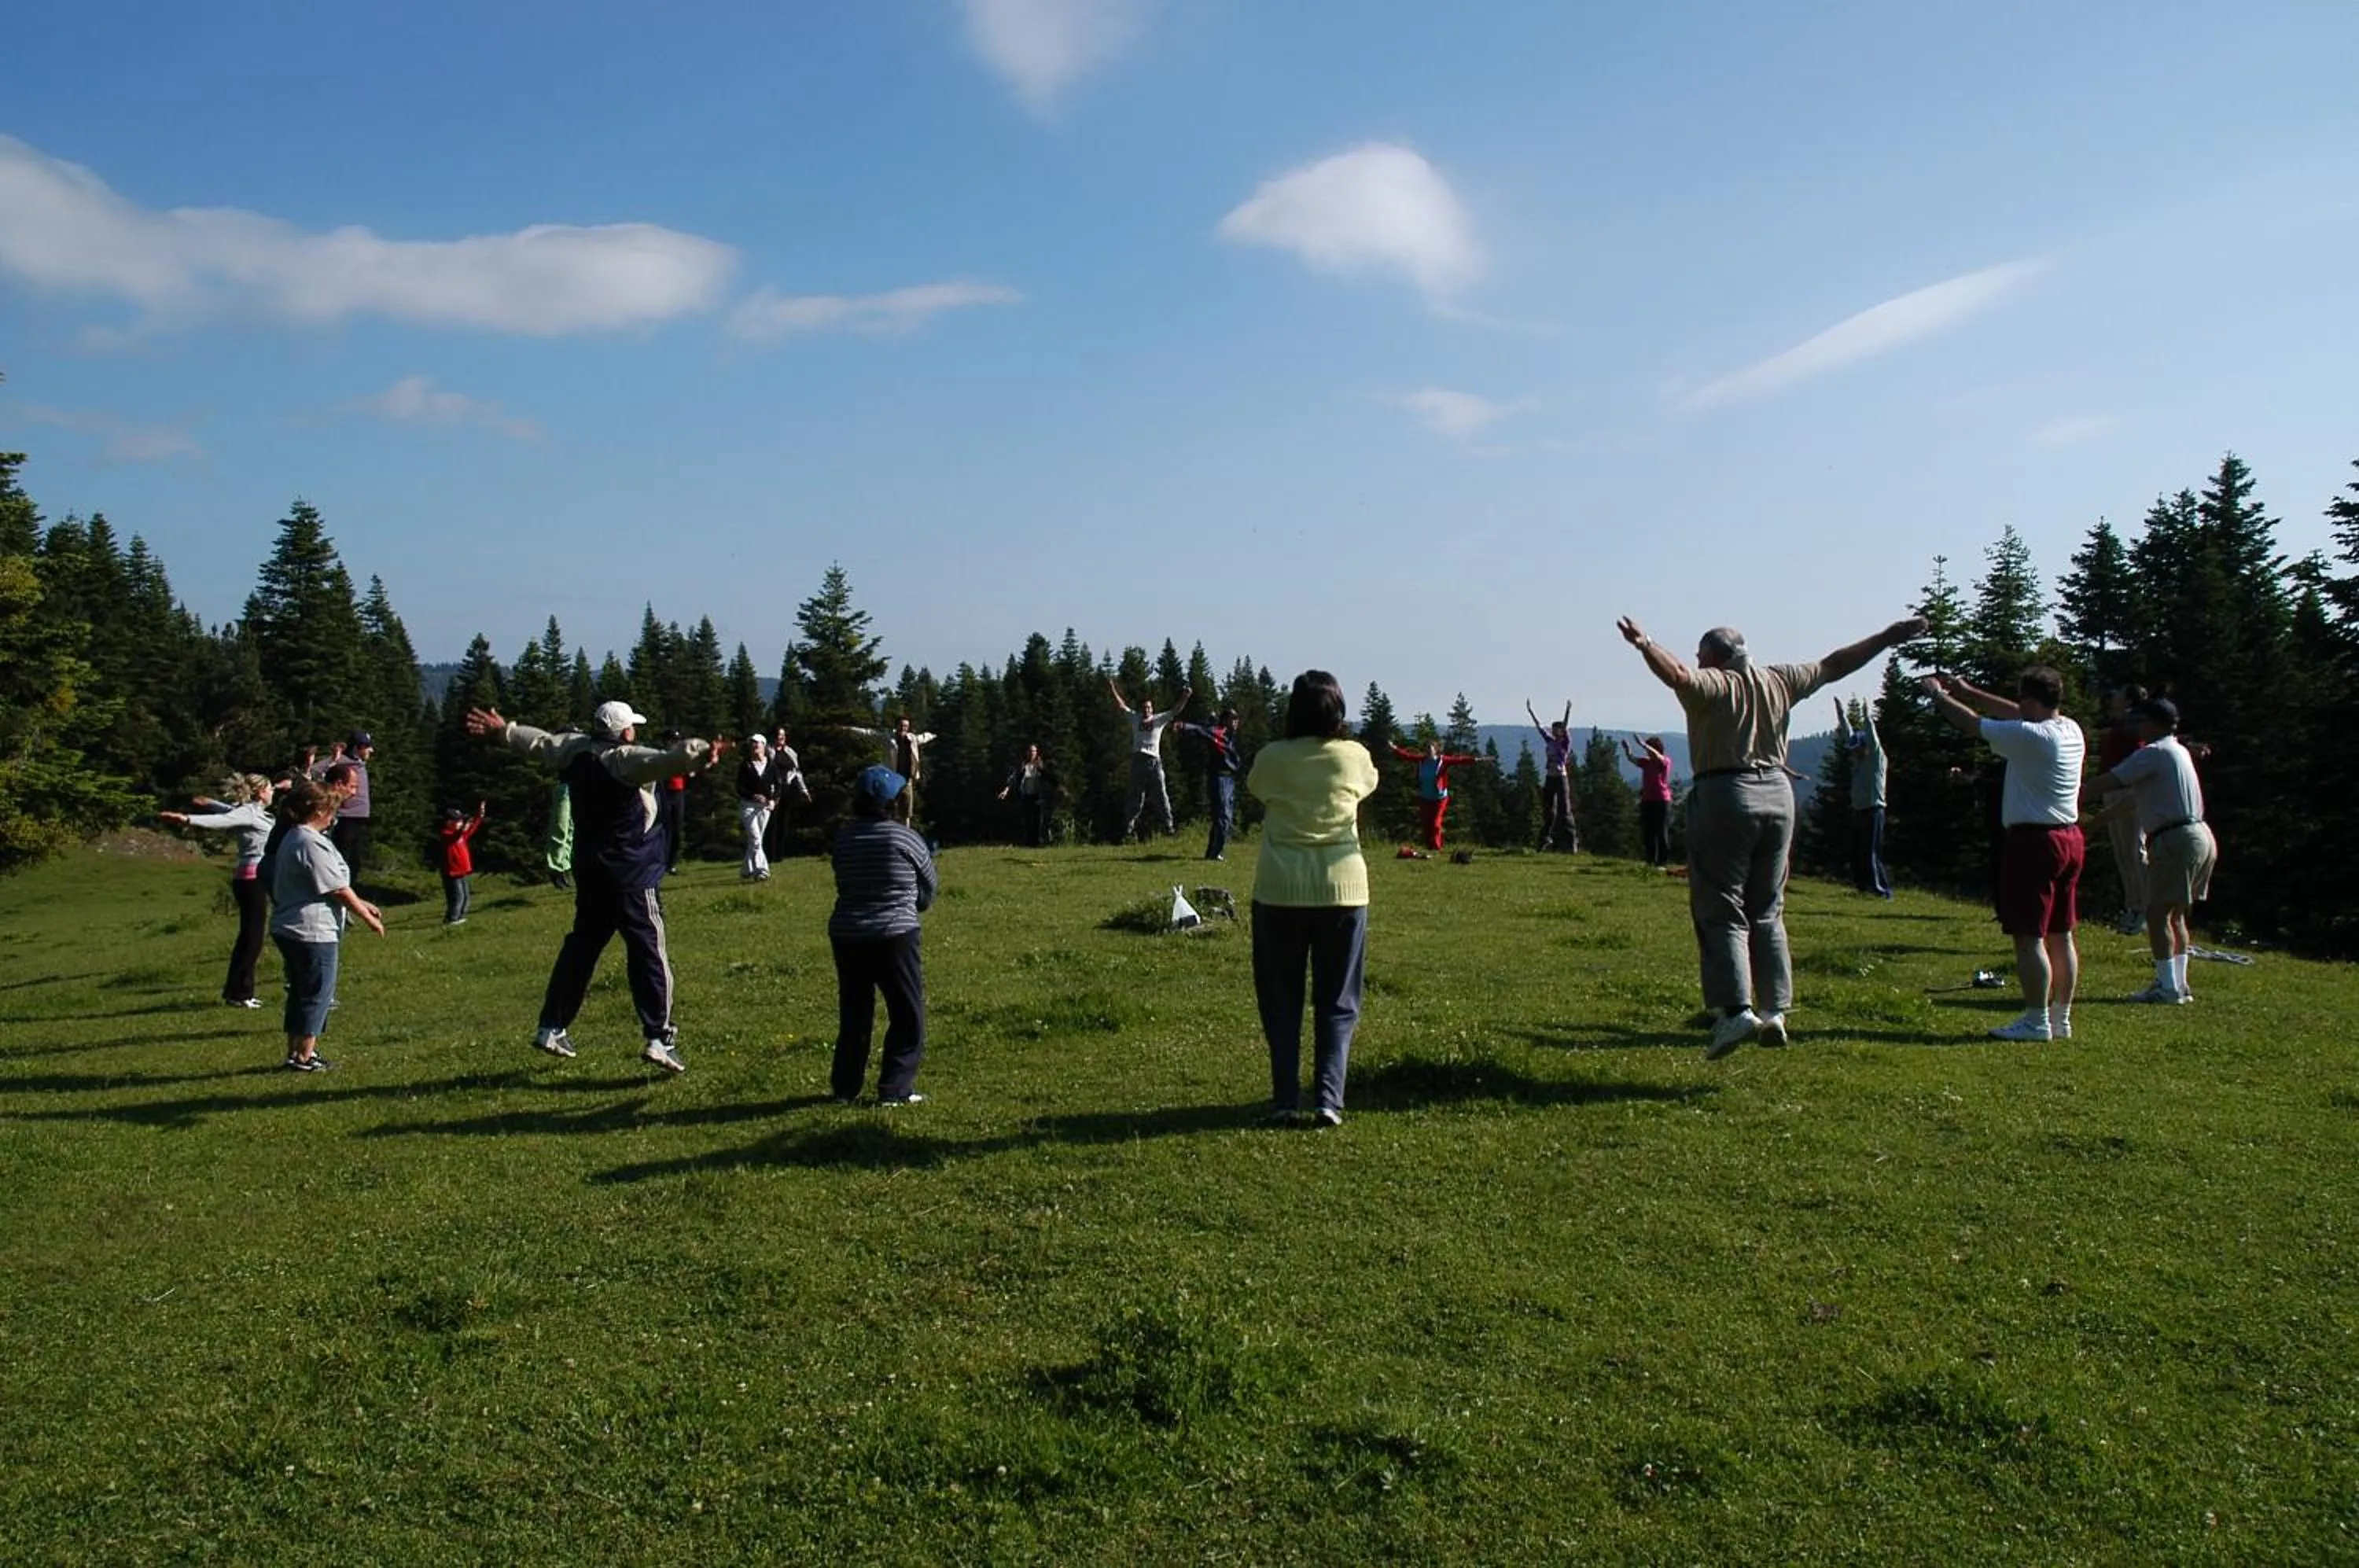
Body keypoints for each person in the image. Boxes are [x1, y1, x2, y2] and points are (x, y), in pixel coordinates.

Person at [1617, 612, 1928, 1059]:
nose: (1697, 661)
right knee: (1767, 909)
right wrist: (1886, 637)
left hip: (1726, 793)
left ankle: (1735, 1011)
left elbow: (1678, 675)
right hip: (1779, 798)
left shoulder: (1714, 684)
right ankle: (1775, 1011)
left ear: (1714, 657)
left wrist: (1645, 643)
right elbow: (1835, 664)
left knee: (1721, 906)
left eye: (1701, 655)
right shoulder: (1781, 680)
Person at [466, 698, 725, 1074]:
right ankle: (659, 1038)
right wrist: (702, 753)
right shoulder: (625, 760)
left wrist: (503, 730)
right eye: (632, 727)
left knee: (582, 948)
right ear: (625, 732)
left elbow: (539, 743)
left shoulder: (574, 749)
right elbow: (667, 760)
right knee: (649, 951)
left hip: (591, 869)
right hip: (631, 872)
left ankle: (552, 1027)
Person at [1922, 667, 2087, 1042]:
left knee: (2029, 936)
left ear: (2030, 700)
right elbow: (2015, 712)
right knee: (2061, 934)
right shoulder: (2070, 729)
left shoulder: (2029, 737)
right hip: (2070, 837)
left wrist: (1938, 695)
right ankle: (2060, 1018)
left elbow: (1972, 724)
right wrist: (1969, 689)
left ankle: (2035, 1021)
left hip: (2034, 842)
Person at [1248, 671, 1380, 1127]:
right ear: (1338, 711)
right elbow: (1369, 784)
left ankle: (1286, 1099)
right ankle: (1328, 1099)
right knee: (1338, 1001)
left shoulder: (1271, 758)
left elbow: (1256, 788)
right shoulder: (1354, 756)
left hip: (1279, 890)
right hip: (1344, 889)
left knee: (1281, 1001)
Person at [2083, 697, 2215, 1005]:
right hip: (2199, 836)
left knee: (2156, 914)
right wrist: (2099, 821)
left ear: (2154, 724)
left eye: (2141, 721)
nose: (2137, 728)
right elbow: (2134, 799)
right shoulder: (2177, 751)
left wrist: (2072, 793)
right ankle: (2179, 984)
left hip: (2175, 839)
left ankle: (2166, 987)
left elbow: (2112, 781)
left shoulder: (2152, 753)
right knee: (2175, 916)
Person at [828, 765, 938, 1105]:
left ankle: (845, 1088)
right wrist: (912, 904)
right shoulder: (905, 838)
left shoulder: (844, 839)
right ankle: (895, 1087)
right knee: (906, 1012)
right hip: (896, 934)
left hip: (848, 933)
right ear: (891, 803)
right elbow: (928, 887)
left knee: (854, 1013)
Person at [265, 776, 384, 1071]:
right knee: (317, 993)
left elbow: (325, 883)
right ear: (319, 811)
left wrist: (361, 902)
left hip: (292, 926)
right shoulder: (309, 842)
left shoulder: (295, 837)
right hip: (311, 930)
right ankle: (305, 1055)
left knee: (301, 992)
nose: (333, 817)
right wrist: (366, 917)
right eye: (332, 810)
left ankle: (296, 1052)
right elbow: (336, 888)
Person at [157, 773, 277, 1008]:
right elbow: (222, 821)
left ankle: (240, 992)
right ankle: (240, 994)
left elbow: (229, 811)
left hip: (255, 878)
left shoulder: (252, 811)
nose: (273, 792)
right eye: (270, 788)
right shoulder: (248, 813)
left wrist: (211, 803)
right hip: (251, 879)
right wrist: (187, 820)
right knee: (252, 937)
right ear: (261, 792)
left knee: (252, 936)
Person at [2094, 686, 2151, 934]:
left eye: (2119, 694)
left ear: (2129, 700)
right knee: (2122, 852)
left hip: (2129, 789)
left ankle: (2147, 909)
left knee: (2135, 850)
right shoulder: (2120, 723)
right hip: (2113, 789)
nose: (2113, 696)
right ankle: (2133, 906)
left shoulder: (2135, 721)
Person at [1110, 677, 1191, 841]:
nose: (1147, 710)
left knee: (1161, 794)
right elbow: (1121, 705)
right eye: (1144, 707)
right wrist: (1112, 688)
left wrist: (1185, 697)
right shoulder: (1135, 718)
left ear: (1152, 709)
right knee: (1135, 796)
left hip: (1154, 762)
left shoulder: (1159, 720)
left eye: (1149, 707)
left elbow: (1175, 710)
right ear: (1141, 709)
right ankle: (1129, 829)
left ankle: (1169, 827)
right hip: (1138, 760)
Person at [1831, 696, 1893, 898]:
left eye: (1856, 749)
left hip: (1874, 810)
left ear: (1864, 747)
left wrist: (1867, 717)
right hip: (1859, 810)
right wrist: (1841, 713)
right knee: (1857, 851)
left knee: (1870, 852)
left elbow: (1872, 737)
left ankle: (1880, 890)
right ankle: (1862, 888)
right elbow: (1847, 733)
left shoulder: (1876, 759)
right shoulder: (1858, 761)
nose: (1853, 753)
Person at [1387, 738, 1489, 853]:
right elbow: (1407, 756)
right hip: (1425, 797)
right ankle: (1429, 847)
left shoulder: (1443, 761)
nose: (1428, 751)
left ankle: (1437, 847)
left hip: (1440, 798)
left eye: (1430, 749)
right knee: (1426, 824)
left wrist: (1476, 759)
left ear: (1435, 750)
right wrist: (1395, 748)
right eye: (1426, 749)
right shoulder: (1422, 760)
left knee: (1436, 823)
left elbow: (1459, 760)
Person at [1172, 707, 1246, 859]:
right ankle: (1215, 853)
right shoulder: (1217, 732)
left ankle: (1215, 851)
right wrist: (1184, 726)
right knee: (1223, 815)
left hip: (1229, 779)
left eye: (1237, 719)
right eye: (1233, 719)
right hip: (1219, 778)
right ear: (1225, 721)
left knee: (1225, 816)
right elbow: (1200, 730)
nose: (1236, 722)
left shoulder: (1231, 736)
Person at [845, 716, 936, 826]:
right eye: (901, 726)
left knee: (906, 811)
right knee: (887, 809)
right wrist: (850, 730)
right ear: (896, 726)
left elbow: (924, 737)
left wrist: (934, 735)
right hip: (890, 780)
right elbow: (869, 733)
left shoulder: (912, 739)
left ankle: (906, 831)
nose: (903, 728)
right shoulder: (887, 738)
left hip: (906, 780)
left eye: (906, 726)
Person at [311, 730, 375, 873]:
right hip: (345, 817)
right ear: (357, 747)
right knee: (343, 858)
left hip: (359, 818)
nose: (371, 750)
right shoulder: (342, 761)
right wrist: (334, 760)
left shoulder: (359, 763)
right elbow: (315, 771)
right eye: (367, 747)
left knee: (355, 861)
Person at [1525, 700, 1579, 852]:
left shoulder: (1565, 743)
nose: (1554, 731)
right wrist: (1531, 711)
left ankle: (1571, 842)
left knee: (1565, 810)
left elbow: (1566, 726)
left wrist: (1567, 711)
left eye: (1557, 729)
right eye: (1553, 729)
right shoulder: (1549, 741)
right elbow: (1539, 727)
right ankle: (1545, 839)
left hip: (1561, 778)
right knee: (1548, 811)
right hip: (1550, 778)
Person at [1619, 735, 1676, 867]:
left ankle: (1662, 862)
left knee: (1661, 831)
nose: (1647, 752)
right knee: (1648, 832)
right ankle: (1650, 860)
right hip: (1647, 800)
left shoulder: (1665, 761)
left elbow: (1658, 757)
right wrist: (1628, 750)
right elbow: (1632, 759)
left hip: (1662, 800)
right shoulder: (1646, 762)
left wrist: (1643, 744)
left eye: (1649, 748)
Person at [763, 727, 811, 863]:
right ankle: (768, 855)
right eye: (779, 735)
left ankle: (780, 856)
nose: (782, 737)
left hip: (787, 789)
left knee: (783, 823)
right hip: (773, 790)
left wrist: (804, 791)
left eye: (783, 735)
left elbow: (797, 772)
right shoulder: (768, 751)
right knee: (771, 823)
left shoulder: (791, 752)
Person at [737, 733, 780, 881]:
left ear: (764, 745)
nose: (754, 746)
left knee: (756, 839)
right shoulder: (746, 765)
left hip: (764, 808)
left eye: (757, 743)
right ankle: (762, 870)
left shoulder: (771, 765)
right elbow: (739, 787)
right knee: (755, 837)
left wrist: (773, 800)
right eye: (752, 743)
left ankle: (746, 869)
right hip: (748, 806)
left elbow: (778, 785)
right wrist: (753, 795)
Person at [437, 801, 487, 925]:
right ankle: (452, 919)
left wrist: (479, 815)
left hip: (462, 871)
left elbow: (472, 827)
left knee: (465, 896)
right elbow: (454, 837)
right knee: (457, 897)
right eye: (458, 821)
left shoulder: (461, 835)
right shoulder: (446, 834)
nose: (460, 823)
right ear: (449, 822)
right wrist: (462, 830)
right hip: (452, 873)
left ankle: (460, 916)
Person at [997, 743, 1051, 847]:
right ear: (1027, 753)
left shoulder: (1039, 765)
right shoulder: (1022, 765)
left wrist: (1060, 787)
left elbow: (1048, 777)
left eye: (1034, 751)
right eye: (1030, 751)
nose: (1032, 753)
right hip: (1026, 796)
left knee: (1038, 821)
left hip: (1037, 796)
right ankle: (1029, 843)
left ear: (1036, 753)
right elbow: (1013, 777)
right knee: (1028, 820)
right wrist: (1006, 790)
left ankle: (1037, 842)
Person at [657, 728, 690, 874]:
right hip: (664, 792)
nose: (674, 743)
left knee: (676, 829)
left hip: (678, 792)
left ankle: (671, 863)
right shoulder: (662, 755)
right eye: (671, 740)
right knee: (664, 828)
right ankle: (661, 860)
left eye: (676, 740)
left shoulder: (681, 756)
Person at [544, 781, 575, 891]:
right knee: (560, 827)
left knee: (570, 830)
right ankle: (555, 868)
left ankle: (565, 868)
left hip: (577, 788)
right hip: (564, 787)